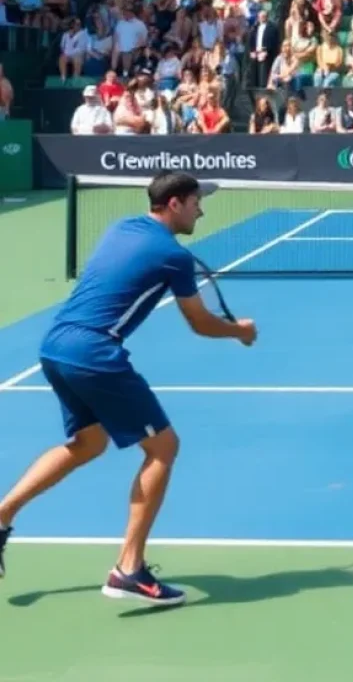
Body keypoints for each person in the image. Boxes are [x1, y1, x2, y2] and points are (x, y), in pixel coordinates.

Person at [0, 171, 257, 605]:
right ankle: (128, 570)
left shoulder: (122, 226)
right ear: (174, 204)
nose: (202, 209)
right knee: (164, 448)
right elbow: (198, 322)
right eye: (195, 201)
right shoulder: (173, 256)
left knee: (87, 443)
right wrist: (238, 331)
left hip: (55, 346)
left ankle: (2, 514)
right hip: (95, 354)